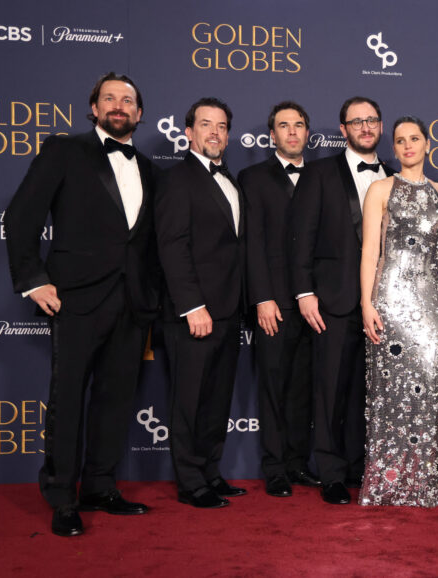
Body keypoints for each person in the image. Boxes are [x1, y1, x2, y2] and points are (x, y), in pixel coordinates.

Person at [5, 72, 160, 537]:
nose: (119, 105)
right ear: (93, 108)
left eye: (128, 100)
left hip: (132, 303)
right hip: (74, 299)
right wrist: (33, 281)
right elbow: (22, 215)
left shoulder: (151, 169)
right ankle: (61, 497)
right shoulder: (64, 150)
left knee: (115, 401)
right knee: (68, 399)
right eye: (109, 98)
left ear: (139, 113)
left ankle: (100, 486)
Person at [289, 96, 395, 505]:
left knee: (369, 393)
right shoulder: (318, 173)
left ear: (381, 126)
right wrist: (304, 291)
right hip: (331, 301)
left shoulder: (393, 175)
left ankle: (357, 467)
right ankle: (331, 472)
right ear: (342, 129)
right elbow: (300, 237)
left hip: (385, 305)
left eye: (372, 120)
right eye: (357, 121)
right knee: (331, 389)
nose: (365, 127)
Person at [155, 97, 247, 509]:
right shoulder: (177, 180)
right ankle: (191, 482)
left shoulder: (232, 180)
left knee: (215, 398)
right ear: (188, 132)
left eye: (222, 126)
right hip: (194, 314)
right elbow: (172, 247)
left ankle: (211, 471)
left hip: (228, 309)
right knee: (189, 400)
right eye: (205, 124)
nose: (215, 132)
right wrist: (192, 306)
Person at [358, 116, 438, 507]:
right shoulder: (380, 189)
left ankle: (424, 483)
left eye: (415, 138)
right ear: (393, 148)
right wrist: (367, 303)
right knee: (389, 397)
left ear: (428, 144)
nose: (408, 145)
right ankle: (389, 482)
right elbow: (370, 253)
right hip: (391, 303)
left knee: (429, 393)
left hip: (431, 307)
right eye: (400, 140)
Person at [238, 101, 320, 498]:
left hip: (316, 304)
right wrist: (262, 298)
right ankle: (274, 468)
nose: (291, 132)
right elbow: (251, 244)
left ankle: (298, 463)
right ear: (271, 135)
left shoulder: (323, 176)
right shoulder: (252, 178)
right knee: (273, 386)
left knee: (303, 389)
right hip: (274, 303)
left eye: (298, 125)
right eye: (283, 126)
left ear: (308, 133)